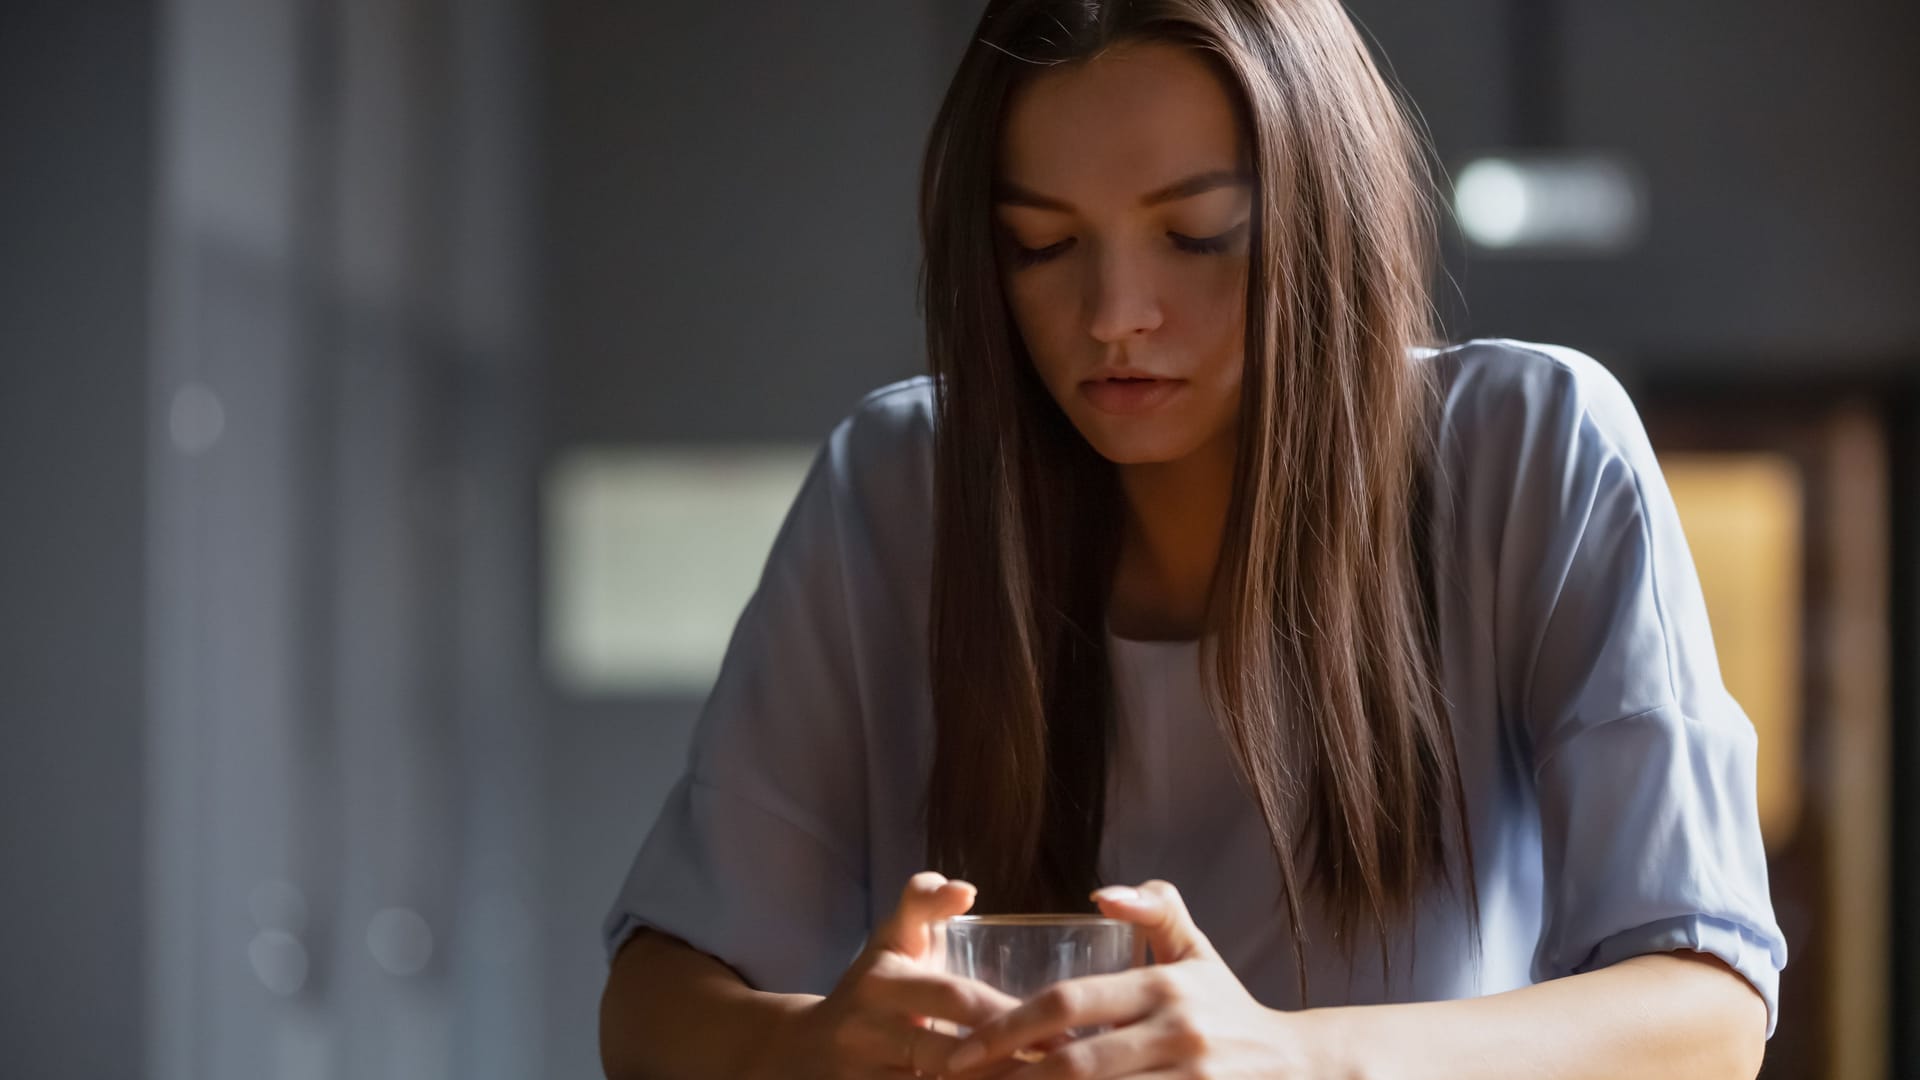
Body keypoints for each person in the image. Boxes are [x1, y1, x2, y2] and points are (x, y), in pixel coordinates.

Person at [598, 1, 1787, 1076]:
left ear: (1327, 223)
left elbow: (1706, 1015)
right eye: (1043, 246)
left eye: (1201, 233)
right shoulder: (898, 484)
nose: (1115, 316)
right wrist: (807, 1049)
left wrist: (1294, 1061)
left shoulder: (1531, 451)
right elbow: (653, 1004)